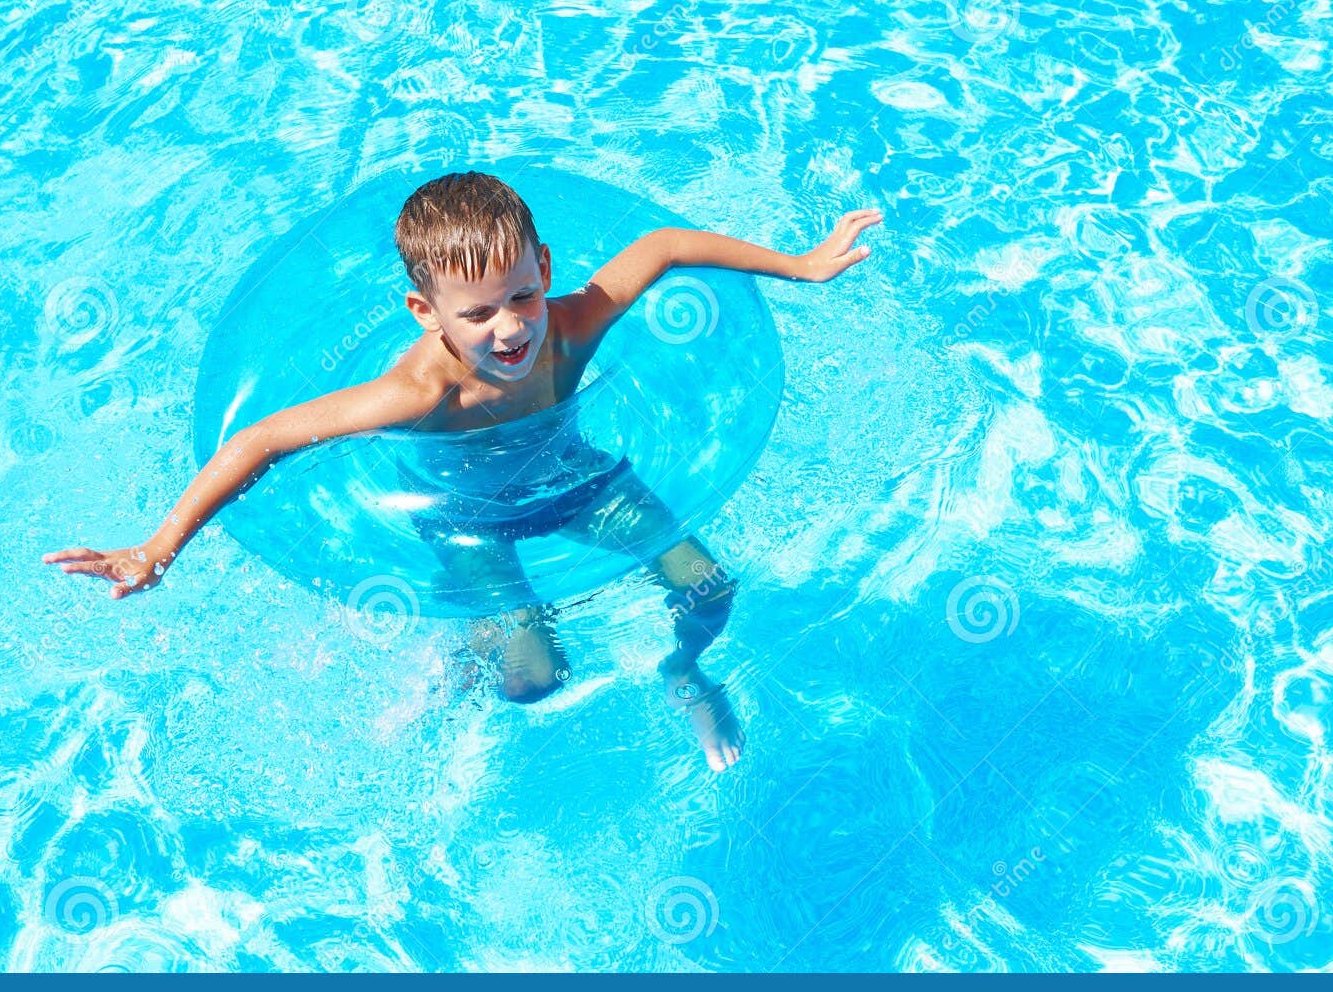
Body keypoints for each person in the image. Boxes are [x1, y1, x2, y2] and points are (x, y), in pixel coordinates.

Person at [45, 171, 880, 771]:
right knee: (538, 680)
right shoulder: (416, 392)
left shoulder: (571, 324)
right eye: (476, 314)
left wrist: (801, 264)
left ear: (544, 272)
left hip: (576, 477)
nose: (509, 328)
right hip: (469, 518)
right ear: (427, 313)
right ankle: (467, 656)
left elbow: (661, 247)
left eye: (521, 295)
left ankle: (683, 674)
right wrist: (155, 548)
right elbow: (261, 440)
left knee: (712, 588)